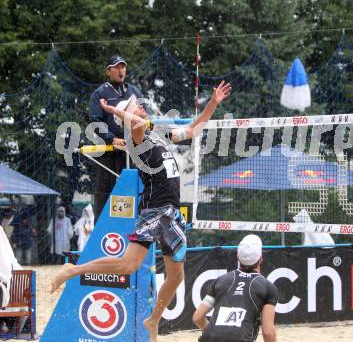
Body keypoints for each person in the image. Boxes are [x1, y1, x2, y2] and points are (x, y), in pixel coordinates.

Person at [50, 81, 232, 342]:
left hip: (170, 212)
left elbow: (194, 129)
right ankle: (72, 270)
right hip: (155, 211)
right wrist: (114, 109)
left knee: (176, 276)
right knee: (128, 265)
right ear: (131, 115)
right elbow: (133, 122)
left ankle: (152, 320)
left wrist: (213, 103)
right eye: (138, 106)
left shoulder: (159, 137)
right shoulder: (137, 139)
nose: (144, 107)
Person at [192, 234, 278, 342]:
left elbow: (197, 317)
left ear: (237, 256)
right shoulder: (268, 287)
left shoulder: (220, 280)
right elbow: (268, 333)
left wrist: (213, 332)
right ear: (261, 258)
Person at [89, 55, 143, 220]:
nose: (121, 70)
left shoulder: (133, 91)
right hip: (109, 153)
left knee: (133, 190)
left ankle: (136, 227)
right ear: (108, 71)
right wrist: (111, 139)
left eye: (123, 67)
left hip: (132, 150)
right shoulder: (100, 93)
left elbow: (143, 116)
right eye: (117, 67)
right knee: (105, 191)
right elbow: (95, 121)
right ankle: (102, 228)